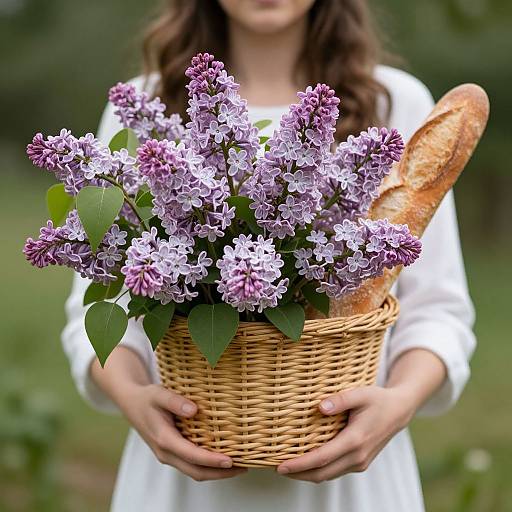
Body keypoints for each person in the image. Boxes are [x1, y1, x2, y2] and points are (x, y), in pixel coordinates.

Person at [62, 1, 476, 511]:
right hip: (180, 479)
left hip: (352, 480)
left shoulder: (395, 102)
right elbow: (101, 302)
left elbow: (439, 309)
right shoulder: (148, 104)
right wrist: (132, 397)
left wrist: (399, 403)